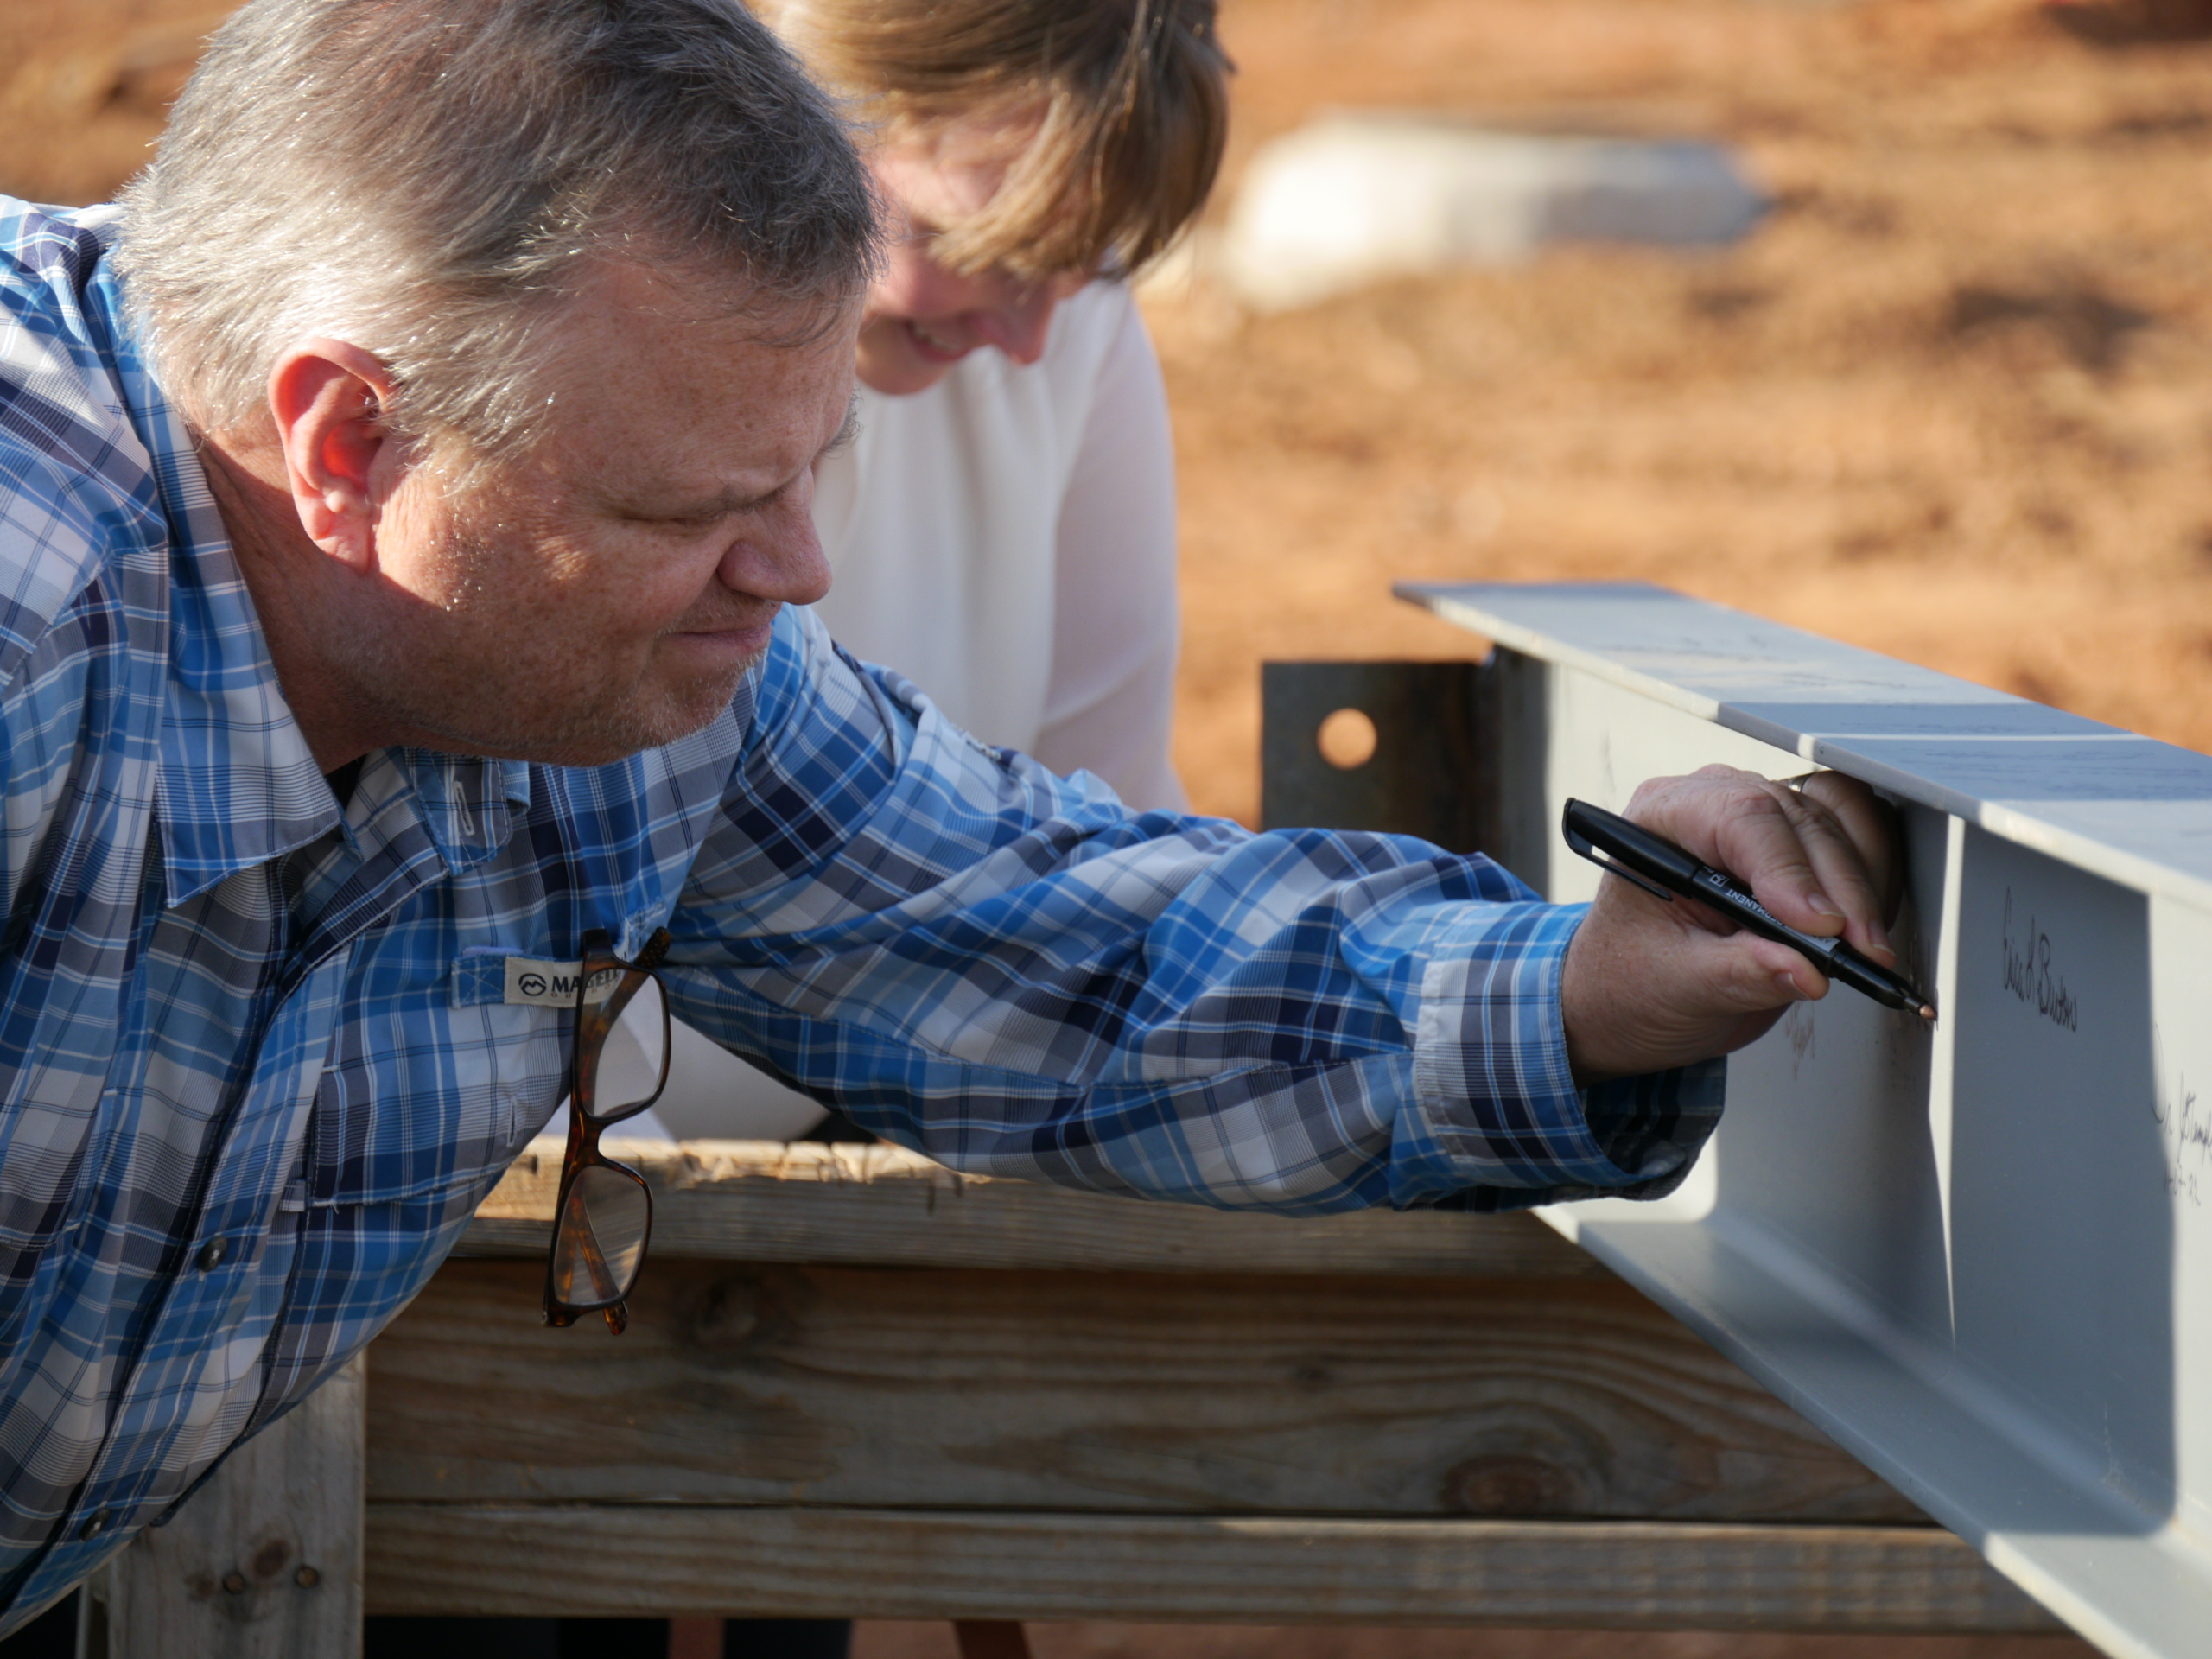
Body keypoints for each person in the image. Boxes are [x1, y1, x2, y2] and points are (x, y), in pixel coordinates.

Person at [0, 0, 1900, 1640]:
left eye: (814, 465)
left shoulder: (618, 675)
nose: (800, 569)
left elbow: (1046, 936)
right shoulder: (38, 618)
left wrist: (1575, 991)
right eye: (689, 510)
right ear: (347, 443)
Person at [629, 0, 1225, 1147]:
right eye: (972, 246)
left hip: (838, 1161)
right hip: (522, 1189)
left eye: (1079, 261)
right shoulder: (573, 325)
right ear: (786, 100)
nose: (1029, 338)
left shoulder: (1069, 336)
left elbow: (1103, 834)